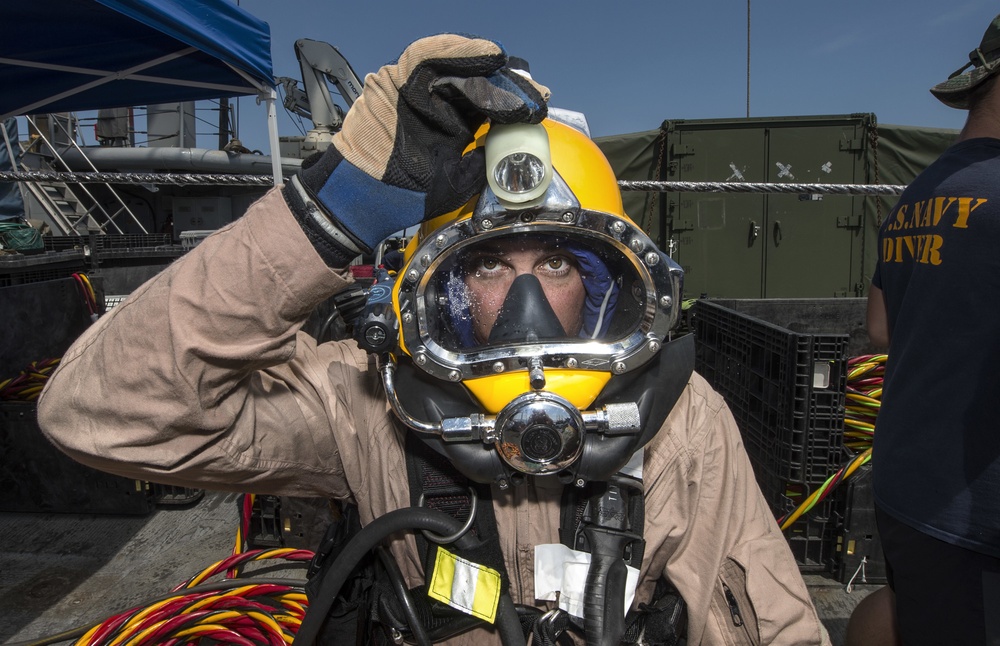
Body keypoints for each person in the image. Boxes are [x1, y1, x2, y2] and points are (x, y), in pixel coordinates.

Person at [38, 35, 829, 645]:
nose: (525, 302)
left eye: (554, 260)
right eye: (486, 267)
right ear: (439, 284)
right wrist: (325, 212)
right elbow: (99, 411)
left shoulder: (683, 421)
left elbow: (777, 625)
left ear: (605, 280)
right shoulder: (367, 405)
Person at [864, 13, 1000, 646]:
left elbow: (880, 325)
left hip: (906, 484)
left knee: (906, 609)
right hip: (977, 512)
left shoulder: (921, 191)